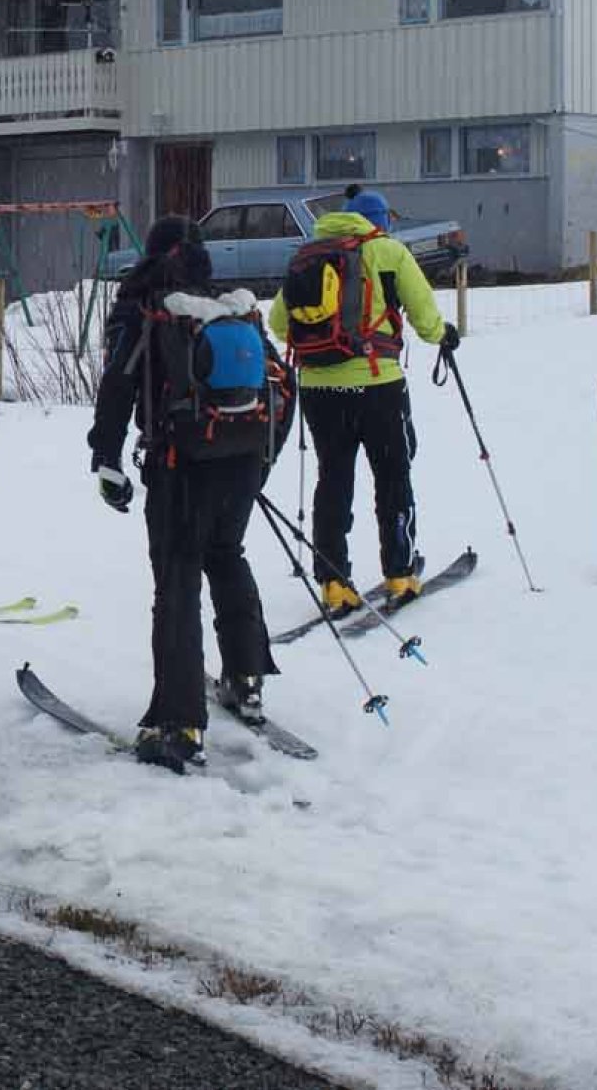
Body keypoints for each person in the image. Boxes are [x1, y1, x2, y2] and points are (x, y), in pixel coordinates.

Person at [88, 216, 288, 775]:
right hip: (242, 458)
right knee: (226, 555)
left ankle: (178, 723)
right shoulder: (232, 307)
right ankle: (246, 679)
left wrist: (105, 458)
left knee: (176, 581)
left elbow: (117, 384)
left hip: (180, 465)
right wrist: (262, 457)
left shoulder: (146, 306)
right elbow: (279, 384)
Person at [268, 186, 457, 615]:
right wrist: (442, 335)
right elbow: (425, 316)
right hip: (377, 385)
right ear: (381, 222)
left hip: (319, 390)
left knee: (333, 478)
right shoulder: (388, 252)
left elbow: (279, 324)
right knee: (392, 475)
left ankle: (334, 582)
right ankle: (400, 573)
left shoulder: (308, 256)